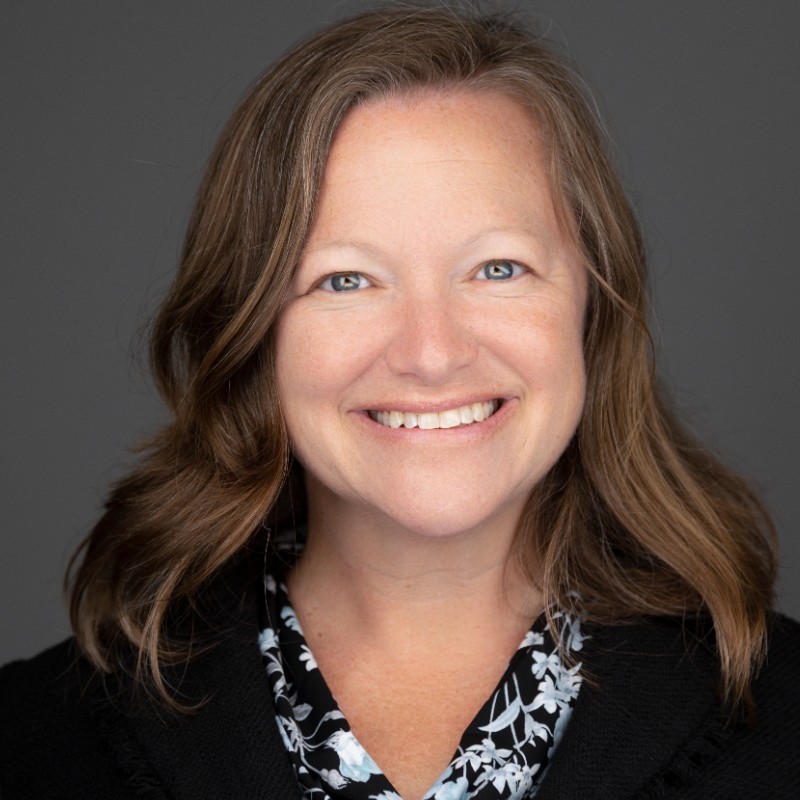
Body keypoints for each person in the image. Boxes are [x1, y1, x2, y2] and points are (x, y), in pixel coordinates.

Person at [2, 5, 798, 798]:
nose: (431, 352)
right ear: (252, 330)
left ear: (593, 303)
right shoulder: (32, 746)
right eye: (346, 280)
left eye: (497, 268)